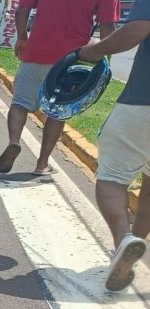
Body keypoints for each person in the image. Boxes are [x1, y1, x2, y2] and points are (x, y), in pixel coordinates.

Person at [0, 0, 120, 176]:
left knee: (20, 102)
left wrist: (22, 38)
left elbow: (22, 10)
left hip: (37, 49)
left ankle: (14, 141)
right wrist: (106, 58)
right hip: (71, 58)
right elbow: (108, 25)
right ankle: (42, 164)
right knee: (58, 111)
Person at [77, 0, 150, 290]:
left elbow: (136, 31)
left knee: (111, 177)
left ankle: (123, 239)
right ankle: (131, 250)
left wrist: (91, 51)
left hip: (143, 101)